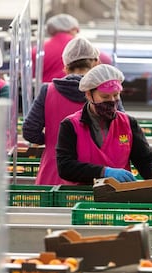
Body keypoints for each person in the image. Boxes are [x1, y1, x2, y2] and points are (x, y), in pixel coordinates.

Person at [56, 64, 152, 184]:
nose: (112, 100)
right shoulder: (71, 125)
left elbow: (145, 159)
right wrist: (104, 172)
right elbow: (65, 167)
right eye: (105, 96)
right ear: (88, 95)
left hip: (119, 196)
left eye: (116, 95)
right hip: (84, 197)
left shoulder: (128, 123)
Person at [23, 37, 102, 185]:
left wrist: (52, 140)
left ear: (65, 67)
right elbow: (121, 129)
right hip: (95, 176)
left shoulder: (47, 91)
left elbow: (29, 131)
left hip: (53, 175)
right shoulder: (105, 93)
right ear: (96, 63)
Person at [32, 13, 112, 83]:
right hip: (81, 92)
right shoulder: (82, 47)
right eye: (76, 30)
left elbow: (30, 73)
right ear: (72, 29)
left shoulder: (38, 50)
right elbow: (107, 60)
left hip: (50, 93)